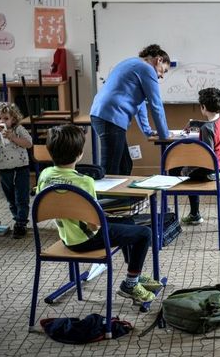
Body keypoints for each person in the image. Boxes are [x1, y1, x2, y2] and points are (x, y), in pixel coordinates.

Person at [36, 124, 161, 304]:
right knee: (144, 234)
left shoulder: (44, 175)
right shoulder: (84, 181)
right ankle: (130, 284)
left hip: (67, 237)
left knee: (128, 221)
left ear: (50, 151)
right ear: (80, 154)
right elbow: (94, 224)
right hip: (86, 240)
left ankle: (135, 274)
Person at [90, 44, 172, 175]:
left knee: (125, 165)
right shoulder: (147, 69)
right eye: (164, 70)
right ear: (159, 60)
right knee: (110, 169)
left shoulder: (133, 63)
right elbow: (156, 104)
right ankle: (104, 196)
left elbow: (140, 105)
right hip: (111, 117)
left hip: (103, 115)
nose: (162, 76)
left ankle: (124, 195)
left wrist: (148, 131)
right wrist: (164, 136)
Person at [180, 87, 220, 225]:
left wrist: (187, 168)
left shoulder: (207, 129)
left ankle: (194, 214)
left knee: (181, 172)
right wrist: (194, 123)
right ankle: (194, 213)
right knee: (187, 169)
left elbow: (207, 157)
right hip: (218, 167)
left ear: (203, 107)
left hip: (209, 170)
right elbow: (210, 124)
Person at [0, 102, 32, 238]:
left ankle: (21, 223)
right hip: (4, 169)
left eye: (5, 118)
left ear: (13, 119)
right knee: (10, 197)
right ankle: (17, 218)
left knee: (22, 196)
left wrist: (12, 137)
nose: (1, 121)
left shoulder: (18, 129)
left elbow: (28, 143)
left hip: (21, 167)